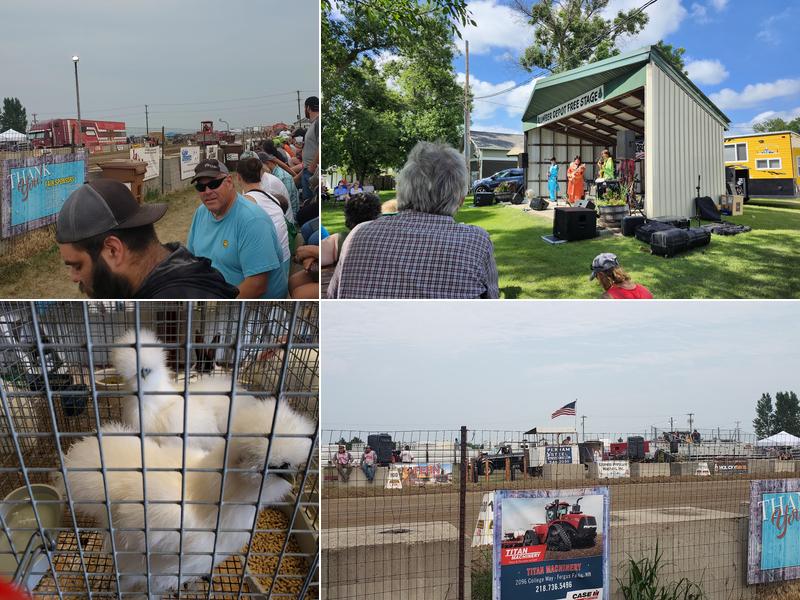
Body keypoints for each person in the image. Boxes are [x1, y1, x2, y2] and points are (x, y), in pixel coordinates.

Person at [327, 141, 500, 299]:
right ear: (460, 201)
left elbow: (332, 297)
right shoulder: (477, 242)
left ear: (400, 191)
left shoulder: (358, 234)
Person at [55, 179, 237, 299]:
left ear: (113, 250)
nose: (73, 277)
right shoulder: (181, 264)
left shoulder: (174, 298)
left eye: (77, 265)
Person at [187, 159, 287, 298]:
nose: (207, 191)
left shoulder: (252, 220)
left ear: (229, 182)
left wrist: (217, 305)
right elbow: (192, 261)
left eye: (214, 184)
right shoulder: (201, 213)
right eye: (201, 187)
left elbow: (256, 285)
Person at [236, 156, 291, 280]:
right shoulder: (274, 199)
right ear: (261, 174)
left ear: (238, 177)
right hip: (285, 261)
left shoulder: (245, 204)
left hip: (269, 269)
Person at [301, 96, 319, 201]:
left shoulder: (317, 123)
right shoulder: (313, 124)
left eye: (304, 108)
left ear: (308, 108)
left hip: (311, 172)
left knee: (310, 203)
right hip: (307, 169)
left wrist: (312, 167)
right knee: (307, 201)